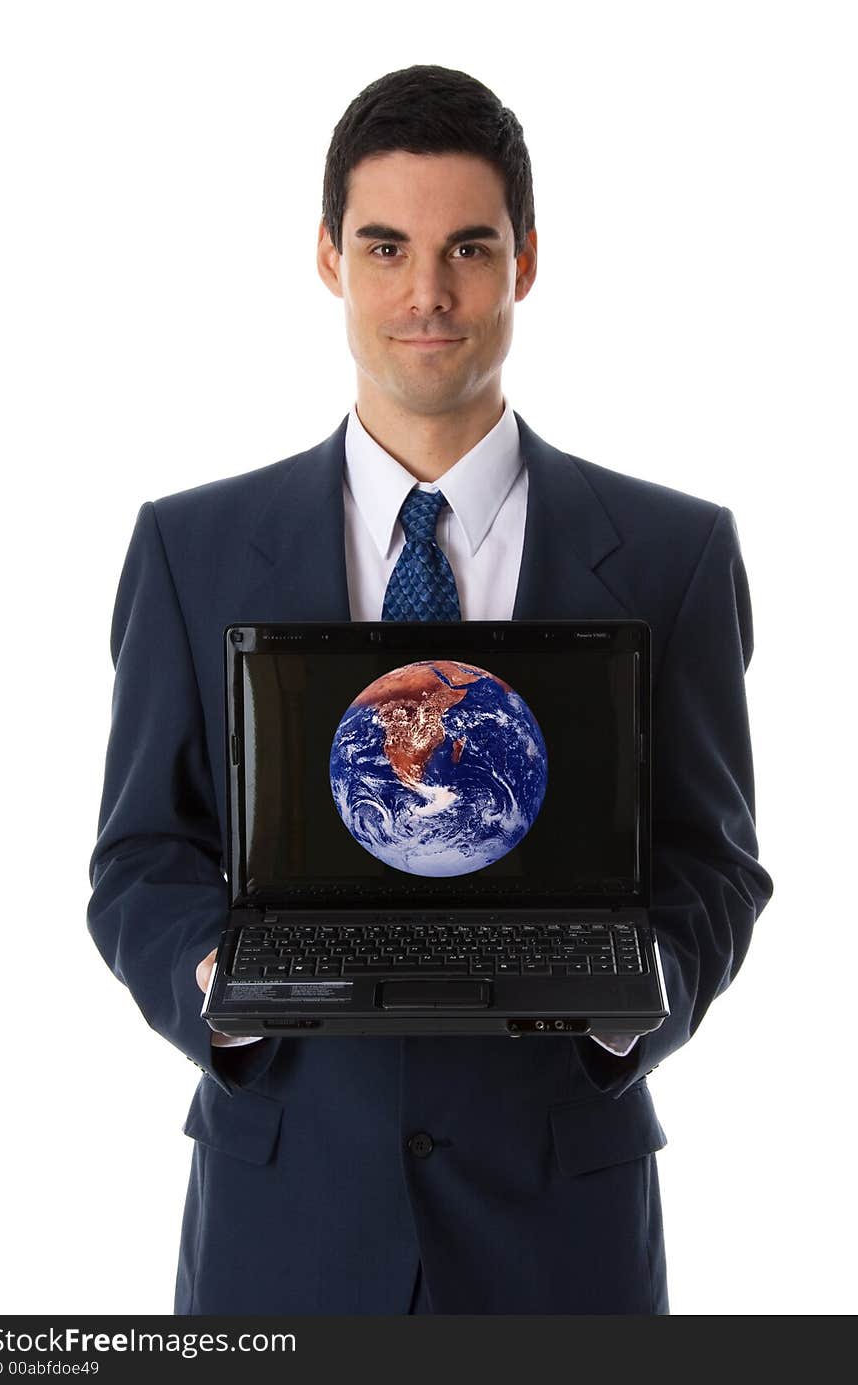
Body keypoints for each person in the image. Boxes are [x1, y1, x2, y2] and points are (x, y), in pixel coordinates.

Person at [87, 64, 773, 1316]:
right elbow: (138, 853)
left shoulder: (675, 554)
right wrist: (214, 984)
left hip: (560, 1220)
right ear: (326, 257)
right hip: (284, 1213)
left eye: (468, 246)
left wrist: (623, 1003)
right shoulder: (190, 547)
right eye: (385, 245)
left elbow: (715, 863)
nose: (426, 294)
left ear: (524, 261)